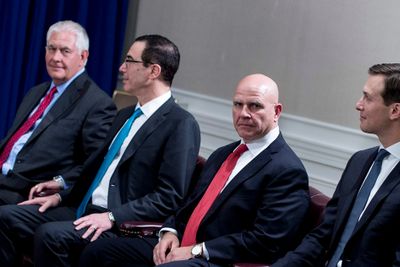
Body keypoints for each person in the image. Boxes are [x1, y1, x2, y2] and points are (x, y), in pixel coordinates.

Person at [0, 34, 201, 267]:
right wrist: (59, 196)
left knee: (51, 235)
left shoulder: (180, 123)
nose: (121, 67)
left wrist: (112, 217)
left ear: (153, 71)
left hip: (120, 221)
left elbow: (169, 195)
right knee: (6, 217)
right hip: (83, 208)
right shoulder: (125, 115)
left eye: (129, 61)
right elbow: (92, 171)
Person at [78, 73, 310, 267]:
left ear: (277, 111)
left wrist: (197, 250)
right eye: (238, 104)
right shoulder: (223, 154)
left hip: (219, 260)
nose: (243, 113)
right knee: (99, 252)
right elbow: (188, 204)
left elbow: (265, 241)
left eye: (255, 106)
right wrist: (169, 232)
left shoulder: (287, 170)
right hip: (184, 247)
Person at [271, 63, 400, 267]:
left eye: (368, 97)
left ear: (395, 110)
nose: (359, 104)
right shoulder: (359, 161)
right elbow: (323, 235)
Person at [0, 20, 116, 204]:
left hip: (27, 191)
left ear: (83, 57)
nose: (55, 57)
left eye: (65, 51)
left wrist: (61, 183)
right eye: (51, 49)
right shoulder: (36, 92)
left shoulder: (97, 103)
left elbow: (95, 163)